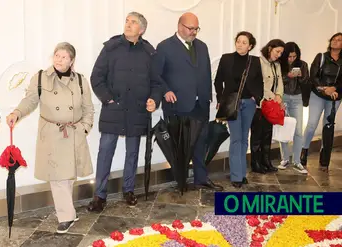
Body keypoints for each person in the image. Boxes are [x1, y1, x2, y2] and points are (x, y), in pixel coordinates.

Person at [6, 42, 95, 233]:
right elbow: (29, 100)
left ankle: (68, 210)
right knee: (58, 178)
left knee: (68, 177)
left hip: (73, 133)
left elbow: (88, 108)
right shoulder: (40, 78)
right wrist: (16, 113)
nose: (58, 59)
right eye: (56, 55)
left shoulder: (80, 80)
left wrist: (84, 129)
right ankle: (66, 216)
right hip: (53, 134)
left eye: (64, 57)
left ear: (71, 61)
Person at [87, 12, 162, 212]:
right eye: (127, 21)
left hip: (137, 111)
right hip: (114, 109)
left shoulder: (149, 52)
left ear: (142, 29)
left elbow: (156, 83)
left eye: (133, 22)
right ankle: (99, 195)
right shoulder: (111, 48)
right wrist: (107, 98)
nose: (128, 25)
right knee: (105, 152)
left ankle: (129, 190)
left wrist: (155, 100)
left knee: (133, 153)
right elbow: (96, 77)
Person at [154, 12, 223, 191]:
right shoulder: (164, 47)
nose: (194, 32)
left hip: (200, 104)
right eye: (190, 28)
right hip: (177, 105)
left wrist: (209, 95)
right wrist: (166, 90)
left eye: (196, 29)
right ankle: (181, 180)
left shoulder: (202, 47)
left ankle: (201, 178)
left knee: (201, 143)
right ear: (180, 26)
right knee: (180, 146)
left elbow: (206, 73)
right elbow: (155, 75)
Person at [214, 31, 263, 188]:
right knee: (236, 138)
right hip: (231, 103)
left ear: (250, 46)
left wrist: (257, 98)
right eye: (238, 41)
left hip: (249, 103)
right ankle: (236, 176)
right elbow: (218, 81)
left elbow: (260, 82)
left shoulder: (254, 61)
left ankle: (242, 173)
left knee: (244, 138)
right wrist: (221, 100)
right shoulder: (226, 58)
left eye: (244, 42)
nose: (240, 44)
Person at [301, 32, 342, 172]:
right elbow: (314, 76)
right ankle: (303, 151)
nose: (335, 41)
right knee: (312, 124)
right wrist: (325, 89)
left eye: (339, 40)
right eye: (333, 39)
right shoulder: (321, 57)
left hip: (334, 97)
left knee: (328, 127)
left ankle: (324, 158)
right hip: (318, 94)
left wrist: (334, 88)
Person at [250, 39, 285, 174]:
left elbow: (280, 81)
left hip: (272, 105)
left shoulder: (276, 64)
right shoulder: (258, 62)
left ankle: (266, 161)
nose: (279, 55)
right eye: (277, 51)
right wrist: (273, 96)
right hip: (260, 104)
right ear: (270, 48)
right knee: (257, 135)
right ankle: (255, 163)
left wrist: (279, 95)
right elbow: (259, 84)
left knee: (267, 134)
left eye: (281, 52)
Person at [277, 42, 309, 174]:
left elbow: (306, 81)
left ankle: (297, 161)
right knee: (284, 128)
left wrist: (300, 76)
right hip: (283, 97)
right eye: (289, 56)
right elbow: (277, 81)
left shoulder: (303, 64)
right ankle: (284, 158)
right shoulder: (280, 64)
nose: (291, 59)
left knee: (298, 130)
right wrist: (287, 77)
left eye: (294, 56)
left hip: (297, 97)